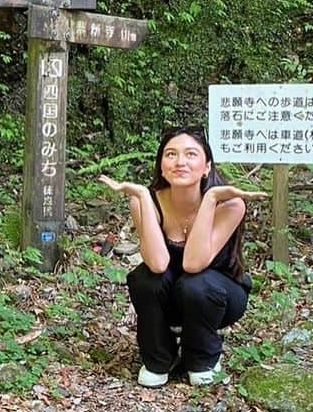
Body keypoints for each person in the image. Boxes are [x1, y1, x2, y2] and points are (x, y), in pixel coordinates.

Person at [100, 127, 265, 388]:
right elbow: (157, 263)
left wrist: (210, 199)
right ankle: (158, 358)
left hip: (219, 295)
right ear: (162, 167)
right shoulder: (147, 201)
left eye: (191, 154)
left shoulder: (230, 204)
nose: (180, 162)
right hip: (170, 296)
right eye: (171, 154)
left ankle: (202, 358)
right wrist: (143, 195)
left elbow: (193, 264)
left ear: (206, 166)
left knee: (195, 283)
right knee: (145, 279)